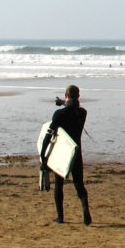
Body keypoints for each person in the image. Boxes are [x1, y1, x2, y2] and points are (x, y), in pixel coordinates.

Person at [41, 85, 91, 225]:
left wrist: (43, 155)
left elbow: (48, 136)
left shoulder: (59, 114)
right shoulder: (82, 113)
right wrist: (64, 103)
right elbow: (73, 109)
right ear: (79, 96)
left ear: (65, 95)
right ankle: (85, 210)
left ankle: (60, 216)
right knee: (79, 184)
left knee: (59, 184)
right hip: (76, 153)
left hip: (63, 153)